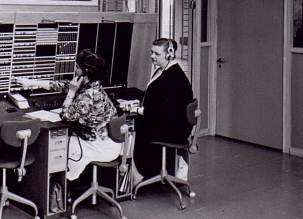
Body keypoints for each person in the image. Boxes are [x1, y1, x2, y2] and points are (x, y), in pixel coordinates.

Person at [15, 49, 119, 182]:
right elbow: (60, 85)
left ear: (85, 71)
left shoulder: (88, 95)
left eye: (77, 67)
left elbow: (65, 116)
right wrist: (30, 82)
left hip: (99, 147)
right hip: (106, 142)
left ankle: (57, 187)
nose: (74, 70)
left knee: (55, 146)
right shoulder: (93, 86)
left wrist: (71, 93)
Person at [129, 38, 194, 185]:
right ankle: (143, 172)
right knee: (136, 123)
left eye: (156, 54)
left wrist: (139, 110)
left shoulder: (174, 78)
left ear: (169, 54)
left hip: (172, 130)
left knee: (130, 129)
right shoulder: (164, 71)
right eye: (152, 52)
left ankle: (136, 174)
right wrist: (136, 102)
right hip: (169, 124)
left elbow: (163, 112)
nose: (152, 56)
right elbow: (152, 95)